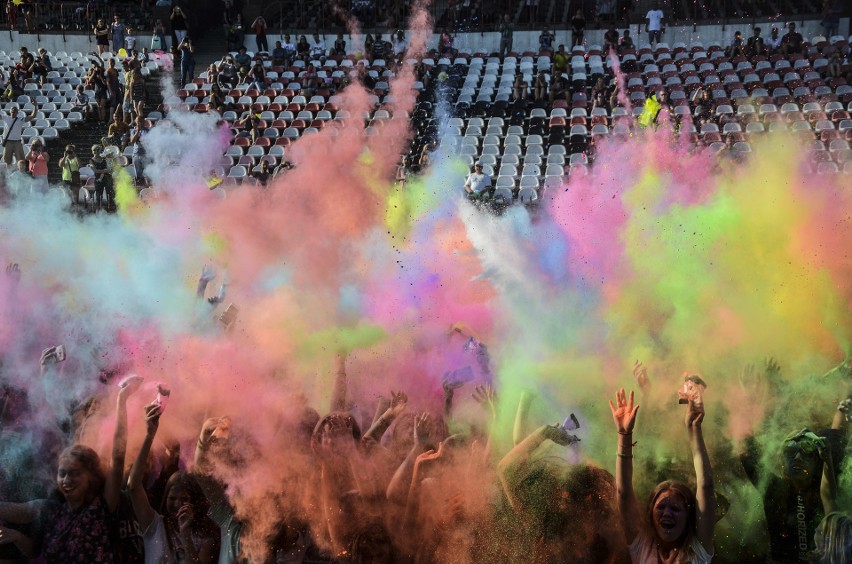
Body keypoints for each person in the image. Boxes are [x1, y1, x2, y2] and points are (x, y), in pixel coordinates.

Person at [610, 387, 715, 562]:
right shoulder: (642, 546)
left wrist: (694, 427)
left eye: (675, 508)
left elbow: (706, 486)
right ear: (650, 513)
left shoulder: (697, 551)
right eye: (660, 507)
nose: (667, 513)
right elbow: (624, 492)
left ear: (689, 516)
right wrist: (624, 435)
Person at [128, 402, 219, 564]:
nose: (177, 504)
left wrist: (185, 533)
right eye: (172, 498)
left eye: (184, 499)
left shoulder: (206, 538)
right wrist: (149, 435)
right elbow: (133, 487)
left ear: (195, 502)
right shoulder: (155, 526)